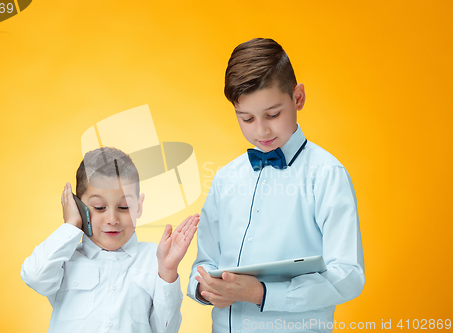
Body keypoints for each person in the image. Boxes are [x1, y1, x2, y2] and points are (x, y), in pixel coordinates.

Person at [187, 38, 364, 333]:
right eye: (246, 118)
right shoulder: (225, 178)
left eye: (272, 114)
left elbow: (348, 275)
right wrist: (205, 289)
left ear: (298, 98)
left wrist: (260, 294)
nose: (261, 130)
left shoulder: (327, 174)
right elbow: (204, 263)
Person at [21, 147, 199, 333]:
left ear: (138, 207)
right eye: (99, 207)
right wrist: (72, 225)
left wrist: (168, 272)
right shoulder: (64, 259)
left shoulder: (155, 258)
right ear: (78, 206)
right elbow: (34, 276)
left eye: (123, 207)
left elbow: (166, 330)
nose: (112, 219)